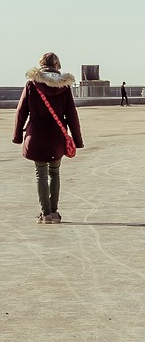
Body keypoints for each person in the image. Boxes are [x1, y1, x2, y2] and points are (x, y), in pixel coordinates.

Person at [12, 52, 85, 224]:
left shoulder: (32, 84)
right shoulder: (64, 87)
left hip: (36, 135)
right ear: (57, 65)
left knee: (41, 173)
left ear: (41, 64)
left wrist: (17, 136)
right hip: (57, 137)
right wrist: (77, 139)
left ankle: (45, 214)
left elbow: (21, 111)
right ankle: (54, 212)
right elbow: (72, 115)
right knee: (55, 172)